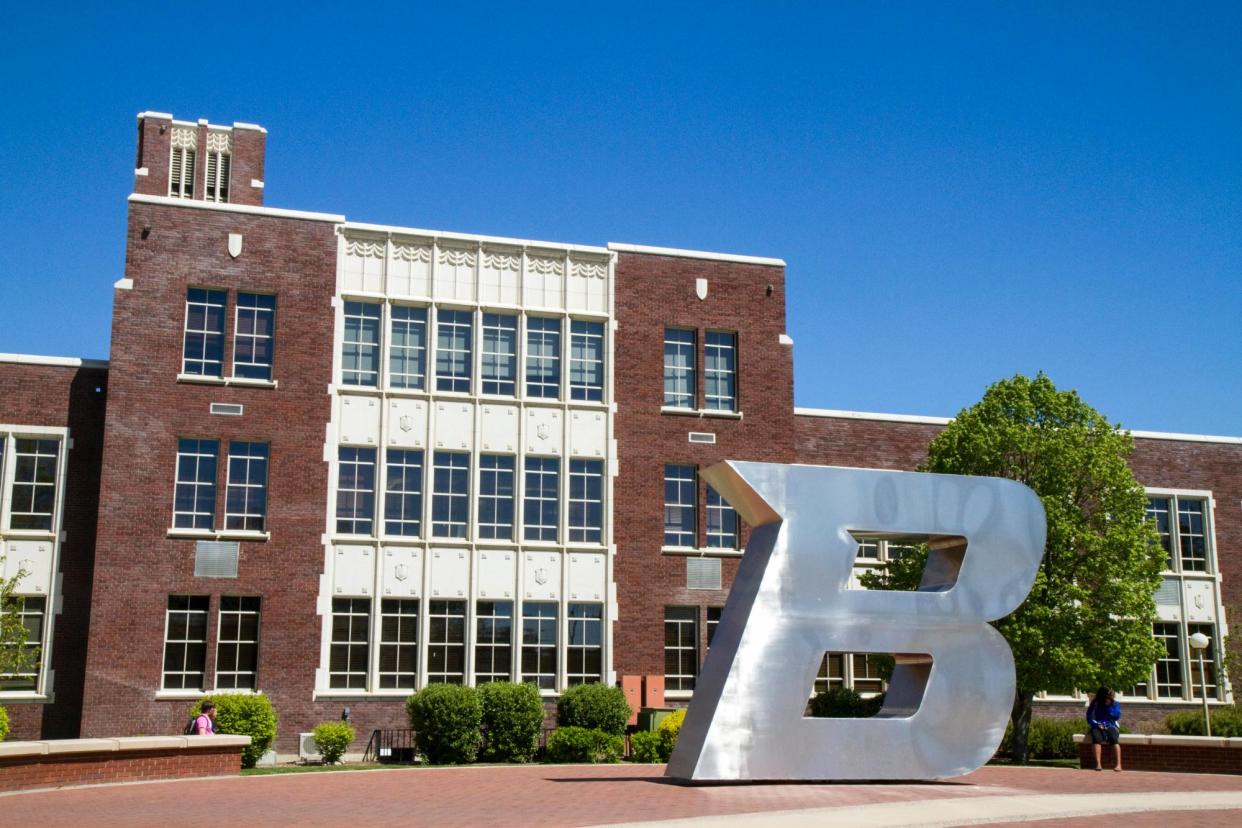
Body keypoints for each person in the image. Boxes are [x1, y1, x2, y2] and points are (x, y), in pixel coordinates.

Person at [1086, 686, 1121, 771]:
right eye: (1108, 694)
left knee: (1113, 738)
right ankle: (1098, 764)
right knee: (1096, 738)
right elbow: (1089, 716)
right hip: (1097, 724)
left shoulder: (1114, 703)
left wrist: (1109, 707)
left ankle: (1119, 765)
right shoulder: (1095, 703)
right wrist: (1096, 724)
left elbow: (1116, 716)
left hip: (1110, 724)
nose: (1110, 696)